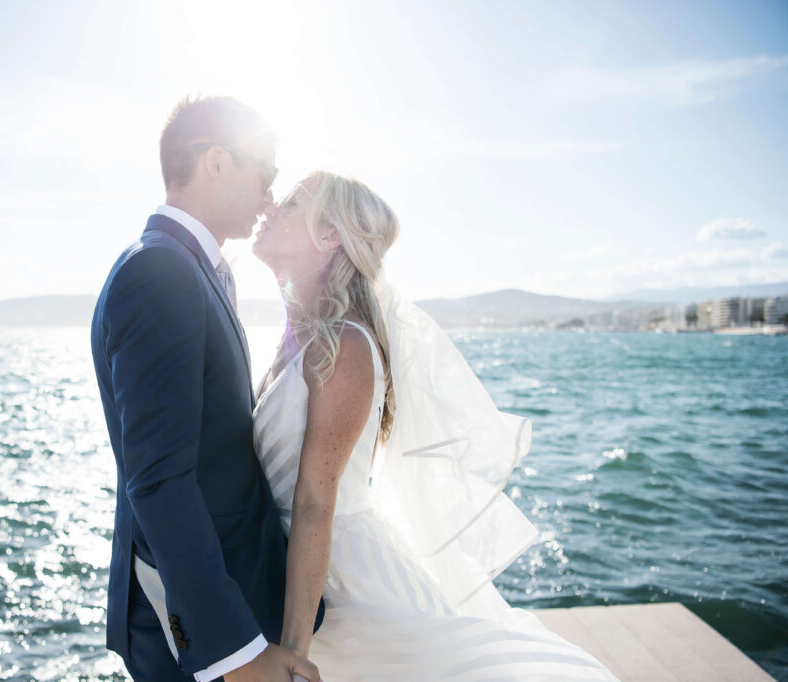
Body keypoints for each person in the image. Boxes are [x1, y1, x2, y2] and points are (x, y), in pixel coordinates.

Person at [251, 170, 619, 680]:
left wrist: (295, 651)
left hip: (346, 590)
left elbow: (316, 502)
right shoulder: (298, 338)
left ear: (330, 235)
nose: (270, 206)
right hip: (298, 578)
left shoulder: (345, 345)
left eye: (292, 202)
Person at [91, 96, 321, 682]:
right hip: (194, 636)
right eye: (265, 170)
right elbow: (160, 480)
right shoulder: (160, 272)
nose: (271, 192)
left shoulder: (189, 266)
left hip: (230, 590)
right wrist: (236, 654)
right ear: (216, 162)